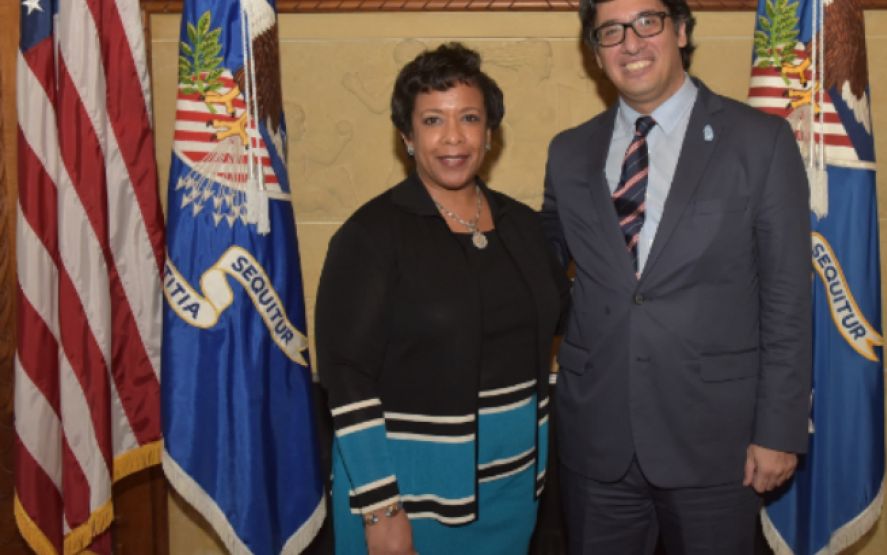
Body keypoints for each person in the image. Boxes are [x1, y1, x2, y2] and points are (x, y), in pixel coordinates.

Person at [541, 0, 813, 553]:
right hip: (596, 440)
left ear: (682, 30)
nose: (631, 43)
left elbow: (787, 299)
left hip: (719, 444)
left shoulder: (759, 143)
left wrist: (779, 431)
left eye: (648, 22)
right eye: (610, 31)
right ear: (595, 54)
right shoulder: (568, 153)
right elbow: (539, 272)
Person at [315, 43, 567, 555]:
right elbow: (346, 377)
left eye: (469, 118)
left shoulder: (523, 227)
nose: (453, 137)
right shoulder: (371, 236)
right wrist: (382, 508)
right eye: (433, 120)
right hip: (408, 498)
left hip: (513, 491)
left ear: (489, 134)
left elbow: (563, 318)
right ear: (407, 137)